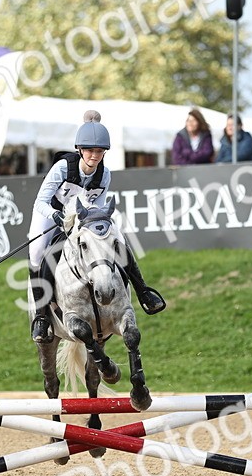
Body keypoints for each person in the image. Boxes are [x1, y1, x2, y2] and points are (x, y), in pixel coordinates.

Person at [28, 111, 166, 343]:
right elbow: (40, 201)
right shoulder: (63, 168)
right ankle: (42, 317)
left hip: (84, 218)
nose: (94, 156)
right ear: (80, 150)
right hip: (51, 212)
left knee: (118, 240)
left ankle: (143, 292)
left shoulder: (104, 175)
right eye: (90, 151)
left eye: (99, 151)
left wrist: (97, 223)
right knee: (38, 252)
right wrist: (57, 216)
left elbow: (99, 207)